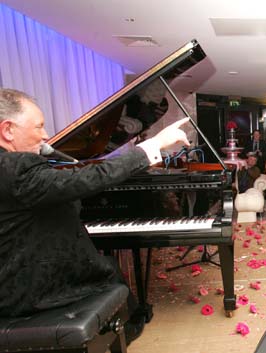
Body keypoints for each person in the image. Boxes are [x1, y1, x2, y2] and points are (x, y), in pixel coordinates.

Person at [0, 88, 190, 343]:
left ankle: (125, 324)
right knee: (108, 273)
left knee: (108, 268)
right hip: (24, 290)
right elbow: (89, 178)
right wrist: (153, 145)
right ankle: (121, 333)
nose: (46, 135)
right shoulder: (15, 169)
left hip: (11, 270)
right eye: (39, 126)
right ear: (8, 130)